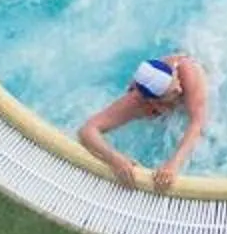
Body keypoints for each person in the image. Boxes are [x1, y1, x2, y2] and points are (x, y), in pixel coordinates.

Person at [76, 52, 211, 191]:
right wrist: (115, 159)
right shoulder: (138, 101)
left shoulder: (189, 78)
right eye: (172, 93)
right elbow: (87, 130)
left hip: (192, 66)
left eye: (175, 83)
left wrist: (173, 164)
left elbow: (197, 124)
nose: (179, 89)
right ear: (152, 101)